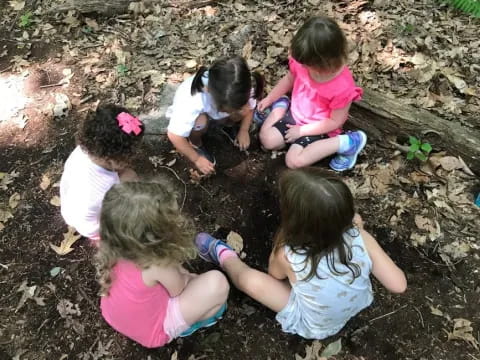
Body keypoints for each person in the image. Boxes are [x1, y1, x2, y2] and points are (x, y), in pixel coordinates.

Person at [194, 168, 407, 339]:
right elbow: (398, 285)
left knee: (251, 280)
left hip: (314, 323)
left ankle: (224, 256)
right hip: (356, 304)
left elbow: (275, 276)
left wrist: (280, 247)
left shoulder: (288, 253)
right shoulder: (359, 235)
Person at [96, 181, 229, 348]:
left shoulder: (113, 243)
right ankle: (189, 326)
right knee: (217, 284)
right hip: (154, 330)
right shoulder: (155, 263)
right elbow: (179, 290)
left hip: (114, 314)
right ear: (155, 233)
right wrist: (190, 277)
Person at [257, 16, 366, 171]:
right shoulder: (304, 63)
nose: (304, 68)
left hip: (318, 128)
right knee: (267, 140)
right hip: (296, 115)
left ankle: (348, 143)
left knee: (293, 161)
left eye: (309, 65)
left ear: (325, 62)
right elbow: (290, 78)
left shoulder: (342, 87)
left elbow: (335, 121)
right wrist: (270, 98)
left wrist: (302, 131)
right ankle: (280, 105)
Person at [167, 56, 264, 175]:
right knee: (200, 122)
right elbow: (174, 135)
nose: (231, 112)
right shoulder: (192, 100)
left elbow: (249, 107)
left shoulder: (241, 86)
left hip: (217, 111)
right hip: (201, 116)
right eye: (228, 110)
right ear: (209, 91)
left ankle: (228, 125)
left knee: (243, 109)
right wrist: (196, 159)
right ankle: (196, 142)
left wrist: (244, 130)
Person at [60, 104, 143, 241]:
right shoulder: (104, 187)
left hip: (71, 211)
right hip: (94, 227)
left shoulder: (84, 150)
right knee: (131, 177)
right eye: (131, 155)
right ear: (111, 160)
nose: (135, 155)